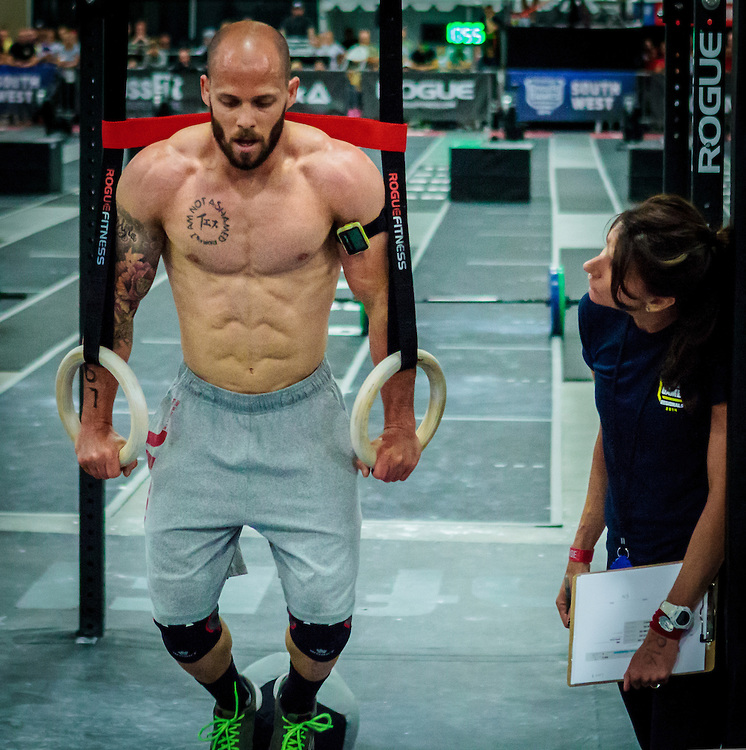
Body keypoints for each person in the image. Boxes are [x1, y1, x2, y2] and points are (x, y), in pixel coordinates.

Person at [75, 19, 421, 750]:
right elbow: (117, 306)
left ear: (293, 92)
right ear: (204, 90)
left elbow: (385, 304)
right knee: (177, 617)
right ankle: (231, 700)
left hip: (307, 419)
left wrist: (397, 423)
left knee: (327, 617)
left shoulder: (339, 175)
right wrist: (97, 421)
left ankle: (298, 705)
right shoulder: (159, 175)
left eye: (263, 101)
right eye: (229, 100)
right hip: (200, 417)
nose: (244, 119)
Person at [556, 195, 731, 750]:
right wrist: (582, 552)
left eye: (611, 264)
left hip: (698, 584)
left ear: (659, 299)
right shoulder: (598, 316)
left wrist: (668, 626)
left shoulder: (714, 348)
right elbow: (613, 429)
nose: (591, 266)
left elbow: (727, 494)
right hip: (629, 567)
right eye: (605, 247)